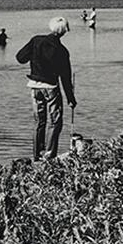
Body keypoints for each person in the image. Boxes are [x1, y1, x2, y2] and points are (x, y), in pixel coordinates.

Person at [16, 16, 77, 161]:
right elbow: (65, 77)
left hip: (34, 86)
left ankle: (37, 156)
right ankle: (49, 156)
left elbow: (20, 58)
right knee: (55, 121)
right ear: (64, 31)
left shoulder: (36, 40)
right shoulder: (62, 51)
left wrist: (35, 55)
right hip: (51, 88)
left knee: (39, 121)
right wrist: (71, 99)